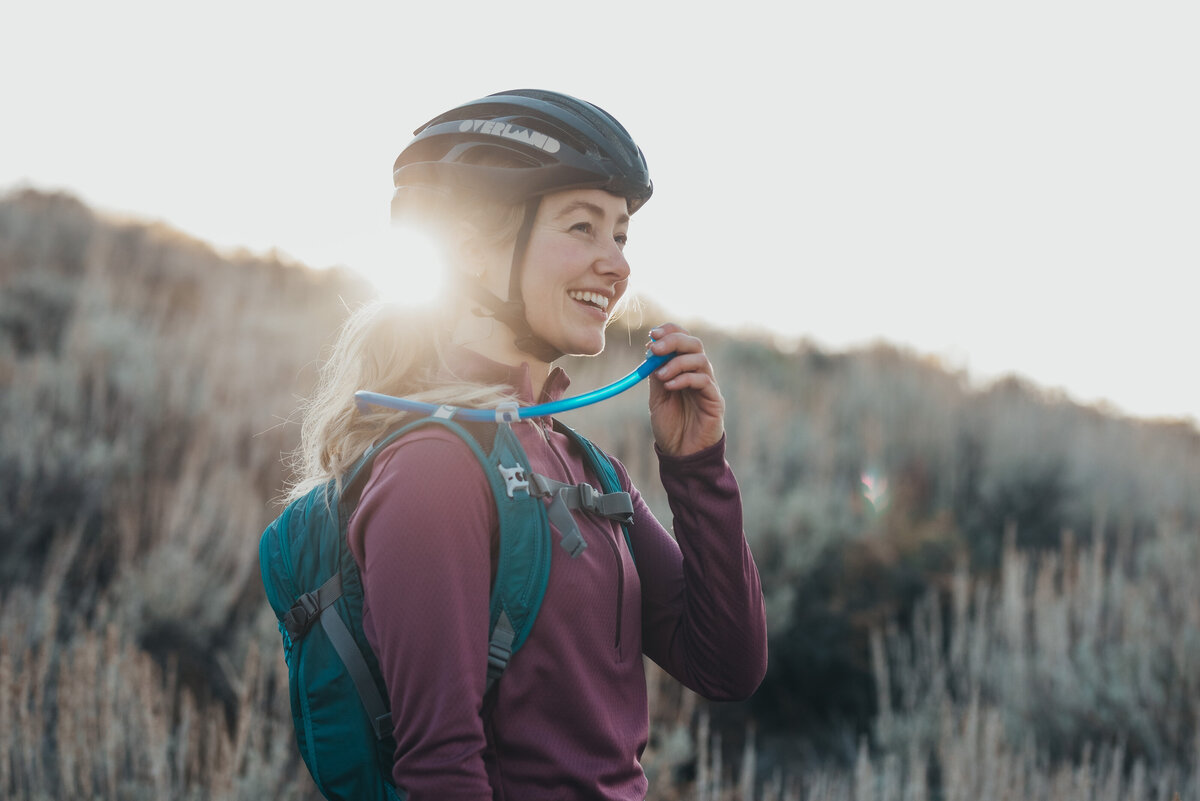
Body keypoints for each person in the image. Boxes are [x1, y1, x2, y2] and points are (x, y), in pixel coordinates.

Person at [287, 89, 768, 801]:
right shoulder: (433, 472)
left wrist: (696, 467)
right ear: (477, 252)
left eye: (622, 235)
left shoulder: (578, 460)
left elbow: (727, 664)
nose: (618, 264)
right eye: (583, 227)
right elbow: (441, 769)